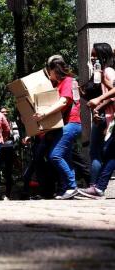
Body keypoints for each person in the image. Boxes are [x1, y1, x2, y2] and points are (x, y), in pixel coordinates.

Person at [33, 55, 82, 199]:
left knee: (55, 156)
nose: (49, 75)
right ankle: (67, 188)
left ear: (55, 70)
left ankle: (72, 187)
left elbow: (63, 102)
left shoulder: (68, 81)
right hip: (65, 125)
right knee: (65, 158)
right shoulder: (59, 84)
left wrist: (43, 114)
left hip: (71, 123)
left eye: (49, 72)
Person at [87, 43, 115, 188]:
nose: (92, 58)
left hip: (107, 115)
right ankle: (96, 186)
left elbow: (113, 94)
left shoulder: (108, 71)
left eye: (95, 55)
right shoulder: (100, 73)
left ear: (103, 56)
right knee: (101, 152)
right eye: (91, 55)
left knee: (99, 152)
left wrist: (98, 105)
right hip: (103, 115)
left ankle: (95, 186)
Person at [0, 107, 18, 200]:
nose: (4, 113)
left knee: (8, 172)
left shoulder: (12, 122)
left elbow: (16, 136)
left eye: (6, 112)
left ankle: (8, 194)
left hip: (9, 148)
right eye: (2, 112)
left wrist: (10, 136)